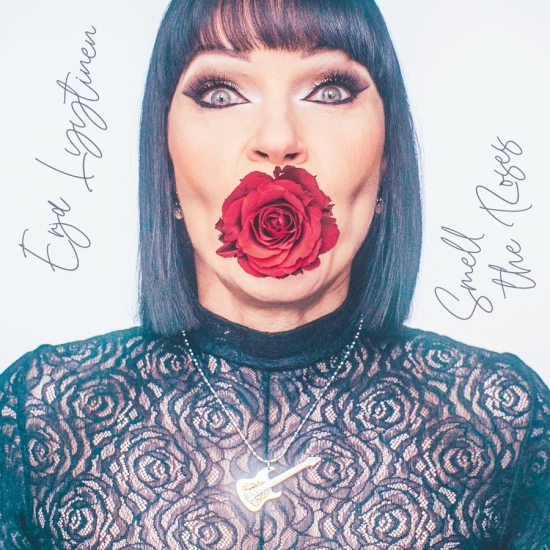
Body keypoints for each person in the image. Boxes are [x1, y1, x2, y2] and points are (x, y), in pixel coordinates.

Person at [1, 0, 549, 548]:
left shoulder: (501, 420)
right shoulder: (41, 415)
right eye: (220, 93)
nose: (278, 139)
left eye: (329, 91)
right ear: (164, 157)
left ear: (386, 158)